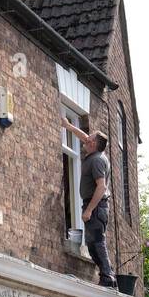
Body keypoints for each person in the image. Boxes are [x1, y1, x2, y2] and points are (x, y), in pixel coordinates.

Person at [60, 117, 116, 287]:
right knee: (92, 245)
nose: (85, 139)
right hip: (95, 206)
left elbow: (101, 187)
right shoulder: (96, 152)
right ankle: (106, 275)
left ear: (93, 144)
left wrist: (89, 210)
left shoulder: (97, 160)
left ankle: (108, 277)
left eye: (89, 139)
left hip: (97, 207)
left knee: (97, 242)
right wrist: (68, 126)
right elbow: (84, 137)